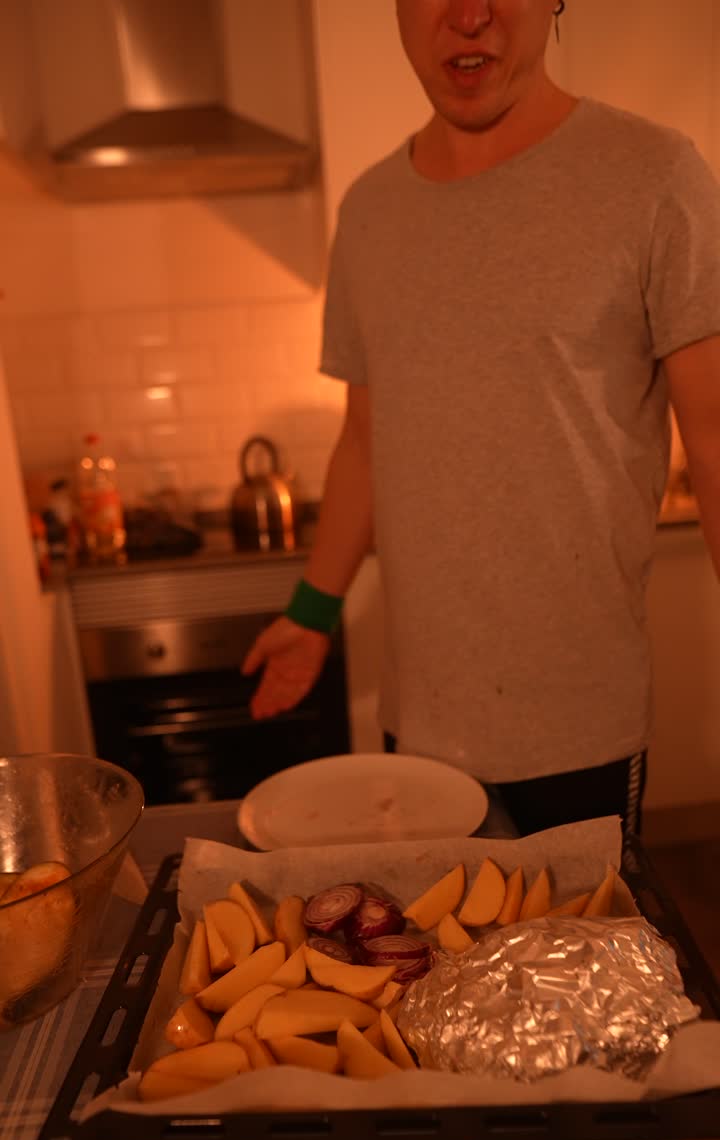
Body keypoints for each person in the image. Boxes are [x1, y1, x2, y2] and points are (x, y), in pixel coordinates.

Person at [242, 0, 720, 840]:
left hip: (582, 722)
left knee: (582, 968)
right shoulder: (369, 210)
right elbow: (366, 437)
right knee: (432, 968)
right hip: (420, 725)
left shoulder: (653, 175)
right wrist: (313, 613)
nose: (469, 15)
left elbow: (715, 439)